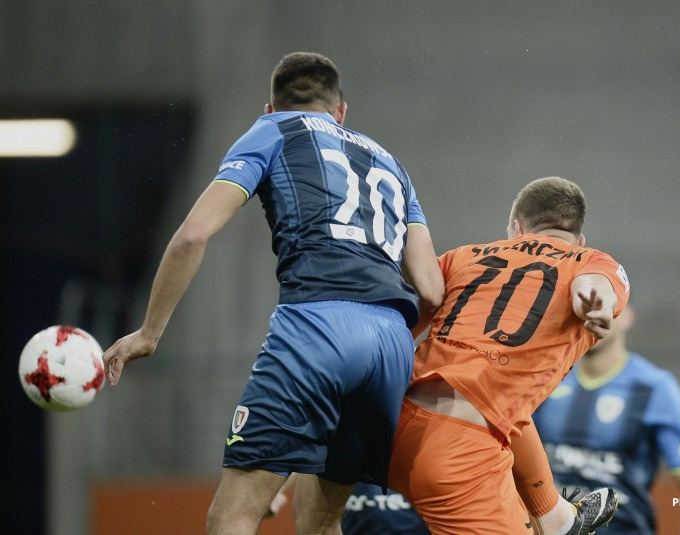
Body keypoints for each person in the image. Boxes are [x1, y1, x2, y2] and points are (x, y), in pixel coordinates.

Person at [101, 51, 445, 535]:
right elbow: (431, 288)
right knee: (322, 522)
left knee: (232, 516)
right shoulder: (391, 163)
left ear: (270, 107)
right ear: (341, 110)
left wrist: (149, 333)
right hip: (391, 345)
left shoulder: (272, 130)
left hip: (317, 327)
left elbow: (192, 236)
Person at [387, 176, 630, 535]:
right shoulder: (589, 261)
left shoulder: (462, 256)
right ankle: (556, 520)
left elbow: (398, 322)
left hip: (387, 424)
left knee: (503, 402)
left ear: (516, 229)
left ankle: (555, 516)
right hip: (456, 453)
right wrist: (596, 303)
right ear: (579, 240)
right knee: (496, 398)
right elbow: (594, 284)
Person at [531, 304, 680, 534]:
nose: (594, 317)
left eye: (606, 307)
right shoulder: (547, 377)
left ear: (627, 316)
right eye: (586, 309)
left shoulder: (653, 388)